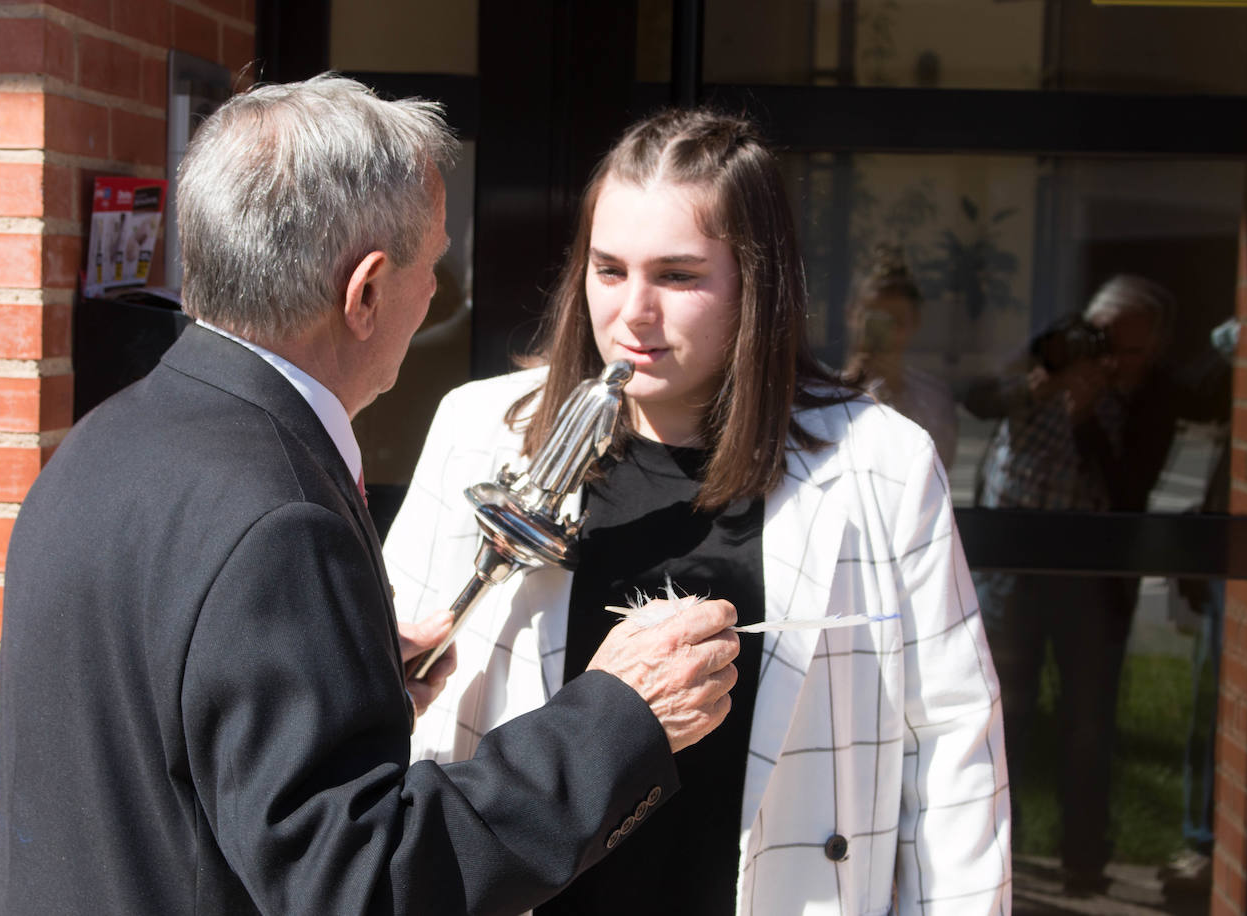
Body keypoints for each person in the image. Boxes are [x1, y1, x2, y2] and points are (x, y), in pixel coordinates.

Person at [0, 75, 743, 916]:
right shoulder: (280, 518)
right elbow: (361, 882)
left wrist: (352, 683)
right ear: (368, 292)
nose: (435, 293)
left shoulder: (101, 443)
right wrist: (617, 719)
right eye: (432, 264)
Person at [385, 108, 1011, 915]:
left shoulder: (877, 464)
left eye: (677, 276)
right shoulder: (479, 431)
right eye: (608, 270)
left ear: (757, 280)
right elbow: (392, 691)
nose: (633, 313)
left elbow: (953, 745)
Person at [963, 274, 1229, 895]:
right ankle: (999, 860)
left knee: (1087, 725)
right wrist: (1035, 382)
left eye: (1123, 348)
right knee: (1003, 716)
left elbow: (1128, 489)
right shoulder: (1048, 357)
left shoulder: (1144, 399)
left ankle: (1085, 864)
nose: (1106, 356)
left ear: (1149, 353)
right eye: (1099, 337)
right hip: (1012, 567)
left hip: (1088, 581)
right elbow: (978, 398)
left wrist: (1085, 416)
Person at [842, 244, 959, 469]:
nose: (887, 330)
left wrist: (897, 392)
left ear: (915, 322)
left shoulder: (934, 397)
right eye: (874, 318)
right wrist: (849, 388)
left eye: (896, 320)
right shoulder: (820, 392)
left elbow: (941, 463)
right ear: (851, 315)